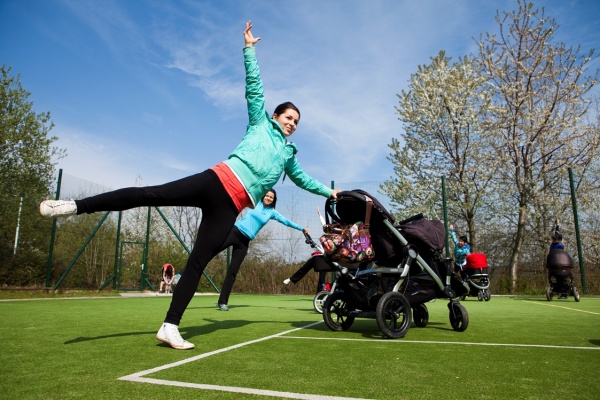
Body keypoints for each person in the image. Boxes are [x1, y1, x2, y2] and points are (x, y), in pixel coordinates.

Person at [39, 21, 340, 350]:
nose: (292, 124)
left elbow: (303, 179)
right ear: (276, 117)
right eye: (288, 118)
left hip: (230, 207)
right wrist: (249, 49)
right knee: (149, 195)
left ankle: (170, 326)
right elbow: (255, 87)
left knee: (197, 263)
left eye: (297, 122)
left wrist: (330, 192)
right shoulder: (259, 123)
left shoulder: (288, 156)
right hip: (214, 182)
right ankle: (72, 206)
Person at [216, 188, 307, 311]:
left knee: (233, 270)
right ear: (263, 196)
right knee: (211, 251)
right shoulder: (255, 203)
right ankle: (184, 273)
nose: (269, 198)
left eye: (271, 197)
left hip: (244, 242)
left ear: (273, 200)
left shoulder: (272, 212)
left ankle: (222, 302)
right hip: (234, 232)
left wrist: (301, 228)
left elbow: (286, 221)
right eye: (267, 196)